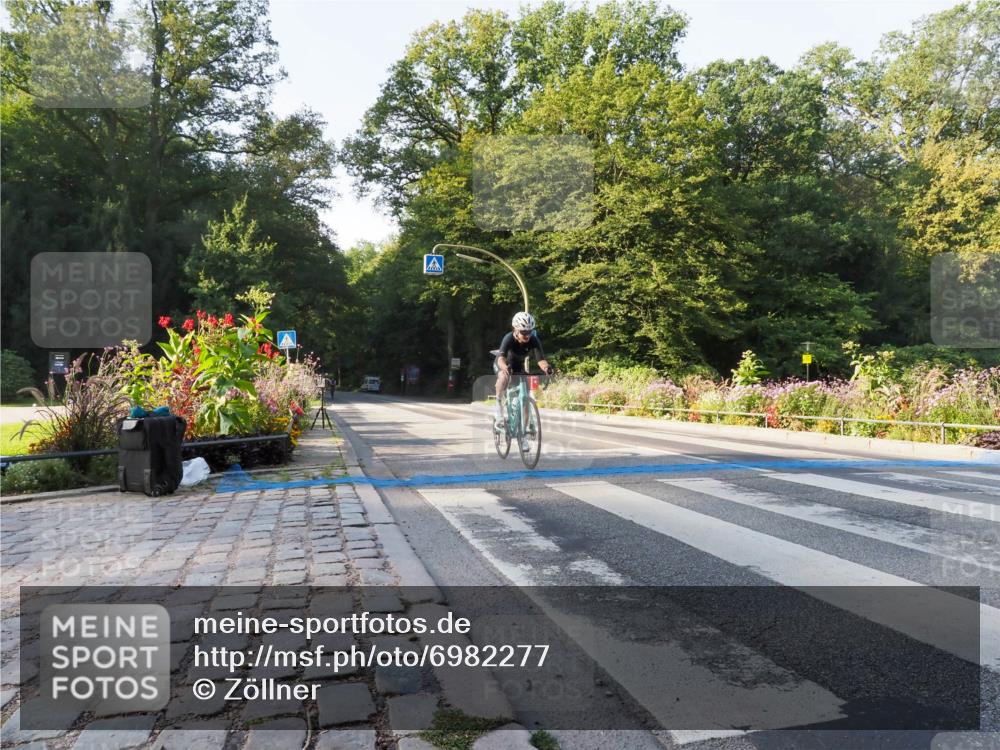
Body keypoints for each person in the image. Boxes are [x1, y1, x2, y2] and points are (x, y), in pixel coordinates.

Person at [494, 312, 553, 441]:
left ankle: (523, 437)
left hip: (518, 367)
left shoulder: (533, 339)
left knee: (525, 399)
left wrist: (546, 368)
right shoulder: (509, 338)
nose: (527, 335)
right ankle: (498, 405)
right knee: (503, 377)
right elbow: (500, 359)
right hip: (503, 364)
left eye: (529, 332)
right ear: (516, 330)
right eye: (523, 332)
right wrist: (505, 368)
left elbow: (540, 360)